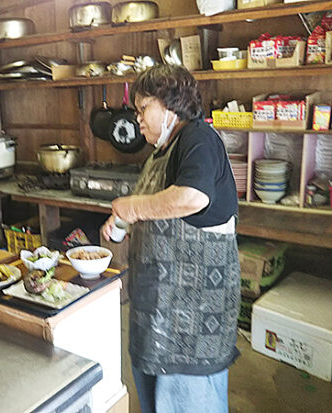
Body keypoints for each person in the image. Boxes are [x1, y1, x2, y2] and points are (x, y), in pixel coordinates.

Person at [102, 64, 240, 413]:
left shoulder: (198, 138)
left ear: (171, 104)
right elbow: (159, 212)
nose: (137, 120)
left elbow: (193, 197)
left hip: (192, 322)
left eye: (143, 108)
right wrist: (124, 223)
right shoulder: (160, 153)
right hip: (156, 312)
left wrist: (134, 206)